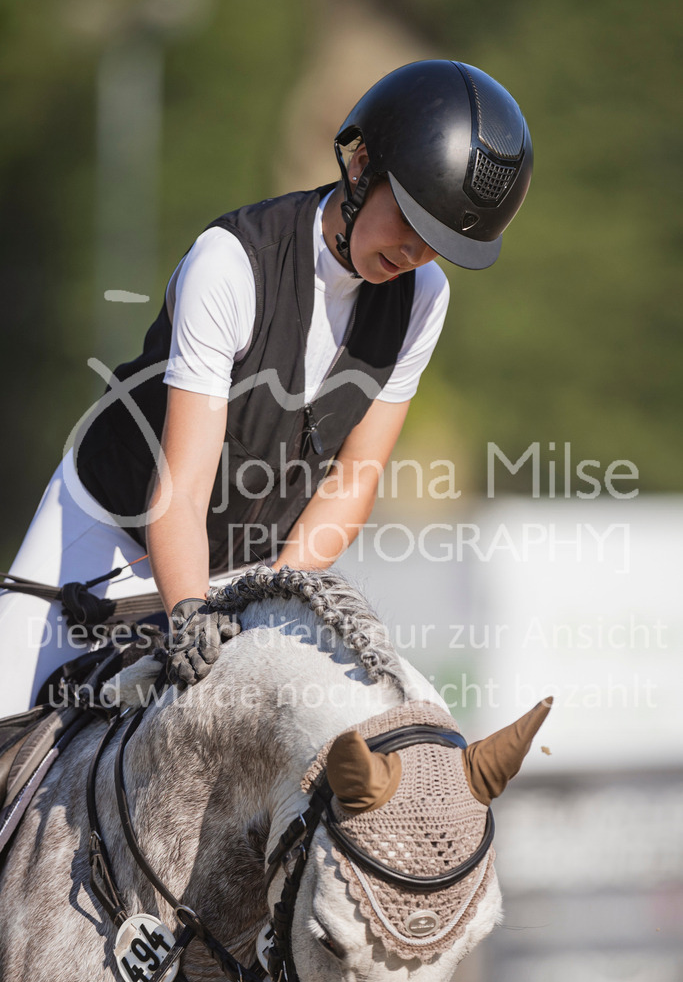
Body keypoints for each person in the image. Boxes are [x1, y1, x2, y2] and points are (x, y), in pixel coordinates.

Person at [0, 59, 533, 715]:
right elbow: (180, 487)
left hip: (248, 567)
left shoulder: (423, 296)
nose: (415, 254)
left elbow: (355, 476)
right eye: (411, 222)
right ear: (362, 166)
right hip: (109, 533)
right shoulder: (230, 264)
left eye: (438, 243)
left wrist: (274, 602)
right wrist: (190, 610)